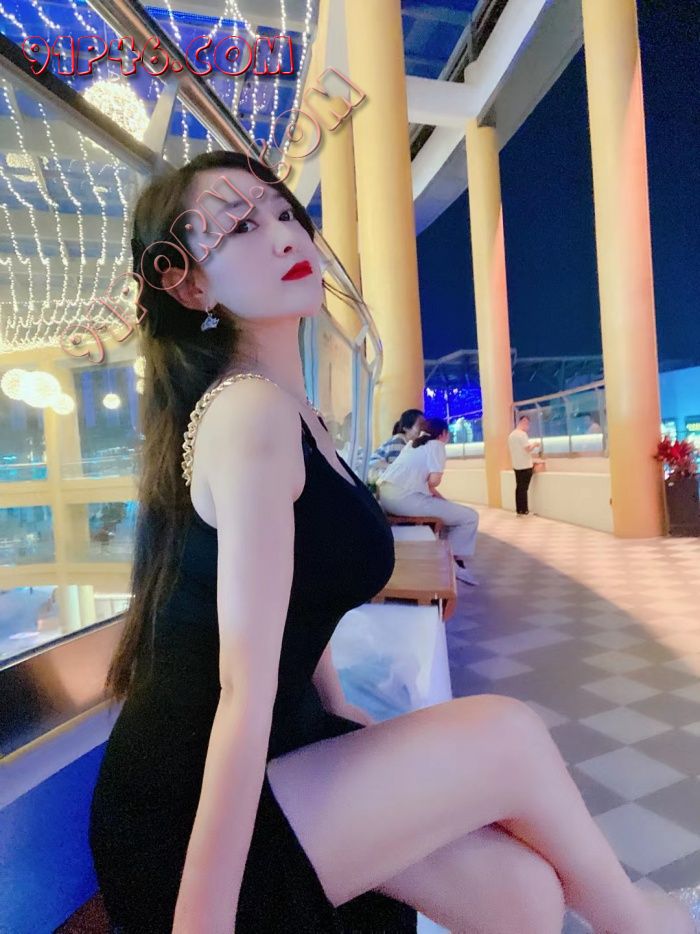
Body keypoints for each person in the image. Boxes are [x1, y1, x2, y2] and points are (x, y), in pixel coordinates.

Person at [88, 151, 696, 934]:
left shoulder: (289, 409)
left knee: (521, 896)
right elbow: (239, 687)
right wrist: (200, 920)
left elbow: (289, 598)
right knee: (506, 736)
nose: (284, 235)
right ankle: (644, 925)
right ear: (191, 287)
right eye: (239, 227)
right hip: (185, 811)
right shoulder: (249, 415)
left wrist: (343, 712)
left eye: (284, 212)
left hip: (282, 753)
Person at [377, 418, 481, 586]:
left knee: (451, 514)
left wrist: (445, 503)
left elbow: (427, 487)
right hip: (406, 500)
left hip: (388, 497)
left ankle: (449, 560)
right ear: (444, 433)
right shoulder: (437, 446)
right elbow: (433, 481)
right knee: (470, 517)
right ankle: (452, 564)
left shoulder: (412, 445)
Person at [367, 409, 424, 484]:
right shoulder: (399, 441)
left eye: (424, 424)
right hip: (376, 480)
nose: (424, 428)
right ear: (406, 428)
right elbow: (397, 470)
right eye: (420, 424)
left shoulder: (411, 444)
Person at [508, 414, 541, 516]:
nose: (528, 426)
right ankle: (525, 510)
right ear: (523, 422)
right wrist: (535, 444)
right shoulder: (522, 434)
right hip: (525, 466)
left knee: (519, 488)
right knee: (524, 489)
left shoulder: (511, 435)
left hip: (516, 465)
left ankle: (519, 510)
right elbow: (527, 448)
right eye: (527, 423)